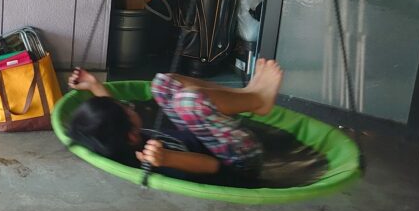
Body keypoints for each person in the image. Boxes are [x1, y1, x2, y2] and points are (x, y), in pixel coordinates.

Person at [66, 60, 284, 179]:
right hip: (239, 161)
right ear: (132, 136)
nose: (128, 105)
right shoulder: (151, 158)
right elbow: (212, 166)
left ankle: (247, 95)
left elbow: (111, 116)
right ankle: (259, 100)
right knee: (188, 101)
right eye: (127, 108)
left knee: (163, 83)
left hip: (207, 141)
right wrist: (167, 158)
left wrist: (94, 85)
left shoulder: (118, 141)